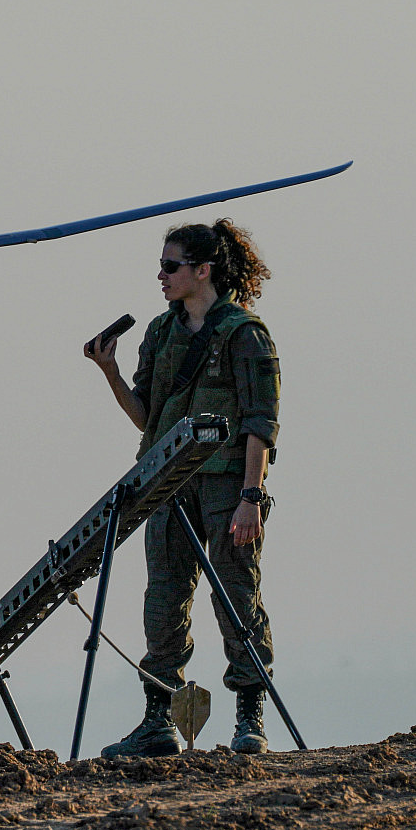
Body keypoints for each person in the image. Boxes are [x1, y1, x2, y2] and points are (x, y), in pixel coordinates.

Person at [83, 218, 280, 755]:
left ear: (202, 270)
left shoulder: (244, 334)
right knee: (164, 599)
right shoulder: (160, 332)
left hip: (225, 486)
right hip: (166, 484)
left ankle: (250, 719)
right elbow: (147, 416)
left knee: (237, 595)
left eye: (171, 267)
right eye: (161, 266)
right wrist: (110, 372)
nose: (162, 276)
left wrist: (250, 498)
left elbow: (260, 424)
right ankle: (157, 720)